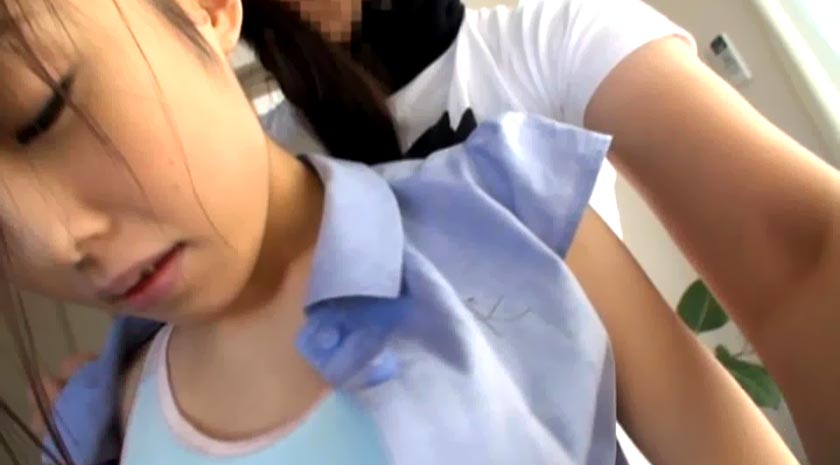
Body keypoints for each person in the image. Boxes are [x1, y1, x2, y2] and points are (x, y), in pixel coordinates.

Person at [22, 0, 840, 463]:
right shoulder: (219, 182)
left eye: (42, 116)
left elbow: (801, 251)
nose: (56, 238)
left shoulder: (541, 65)